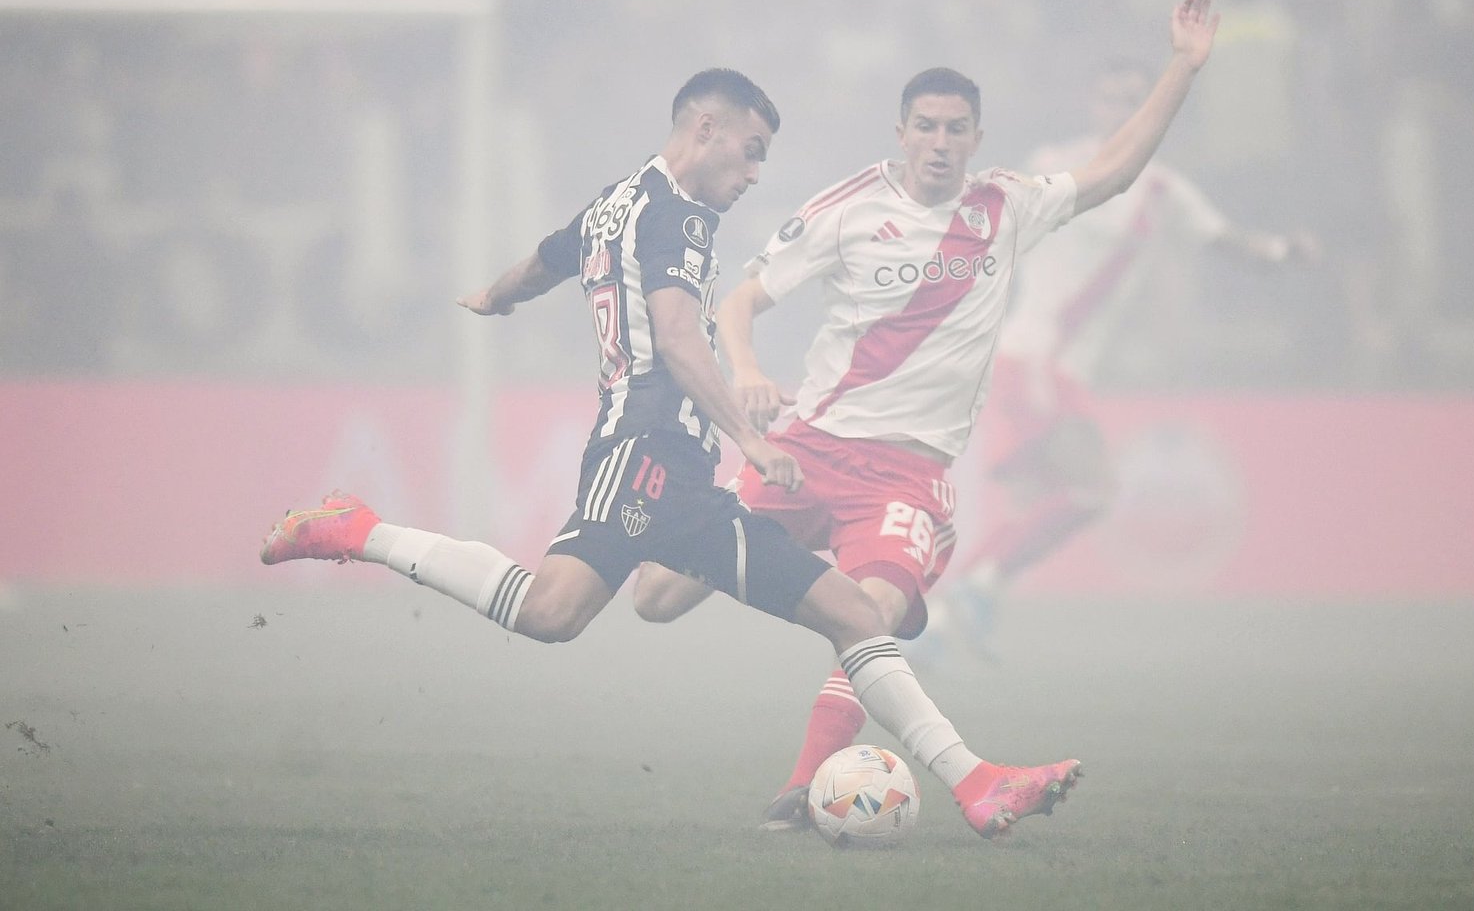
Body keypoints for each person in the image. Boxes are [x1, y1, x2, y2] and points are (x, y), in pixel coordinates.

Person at [259, 68, 1079, 840]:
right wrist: (750, 438)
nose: (754, 173)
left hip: (639, 458)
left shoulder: (617, 200)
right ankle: (977, 783)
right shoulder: (680, 216)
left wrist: (496, 295)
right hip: (656, 456)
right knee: (844, 615)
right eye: (751, 151)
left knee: (557, 613)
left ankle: (357, 529)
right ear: (706, 128)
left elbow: (547, 259)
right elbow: (681, 337)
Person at [631, 0, 1222, 829]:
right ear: (902, 133)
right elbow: (741, 299)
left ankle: (800, 790)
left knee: (869, 617)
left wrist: (1183, 67)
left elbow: (1116, 169)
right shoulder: (849, 207)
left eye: (956, 129)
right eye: (927, 127)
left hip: (905, 477)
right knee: (655, 597)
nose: (940, 142)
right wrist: (751, 369)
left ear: (976, 139)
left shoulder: (1005, 206)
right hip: (808, 448)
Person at [931, 58, 1320, 658]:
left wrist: (1283, 251)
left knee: (1043, 504)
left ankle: (936, 626)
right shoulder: (1056, 166)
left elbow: (1226, 242)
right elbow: (991, 227)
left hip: (1063, 368)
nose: (1118, 112)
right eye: (1108, 99)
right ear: (1091, 106)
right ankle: (972, 591)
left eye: (1132, 100)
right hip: (1035, 358)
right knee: (1091, 489)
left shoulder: (1163, 189)